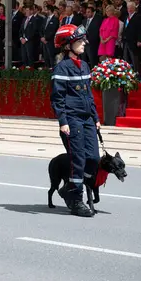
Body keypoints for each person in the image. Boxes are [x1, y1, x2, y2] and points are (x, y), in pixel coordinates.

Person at [50, 24, 100, 217]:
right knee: (78, 159)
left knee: (93, 158)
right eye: (80, 41)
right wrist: (63, 121)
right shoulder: (62, 68)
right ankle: (76, 200)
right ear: (67, 45)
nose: (84, 44)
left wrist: (95, 117)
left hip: (87, 119)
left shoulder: (84, 65)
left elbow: (89, 95)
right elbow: (57, 98)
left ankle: (69, 188)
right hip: (72, 120)